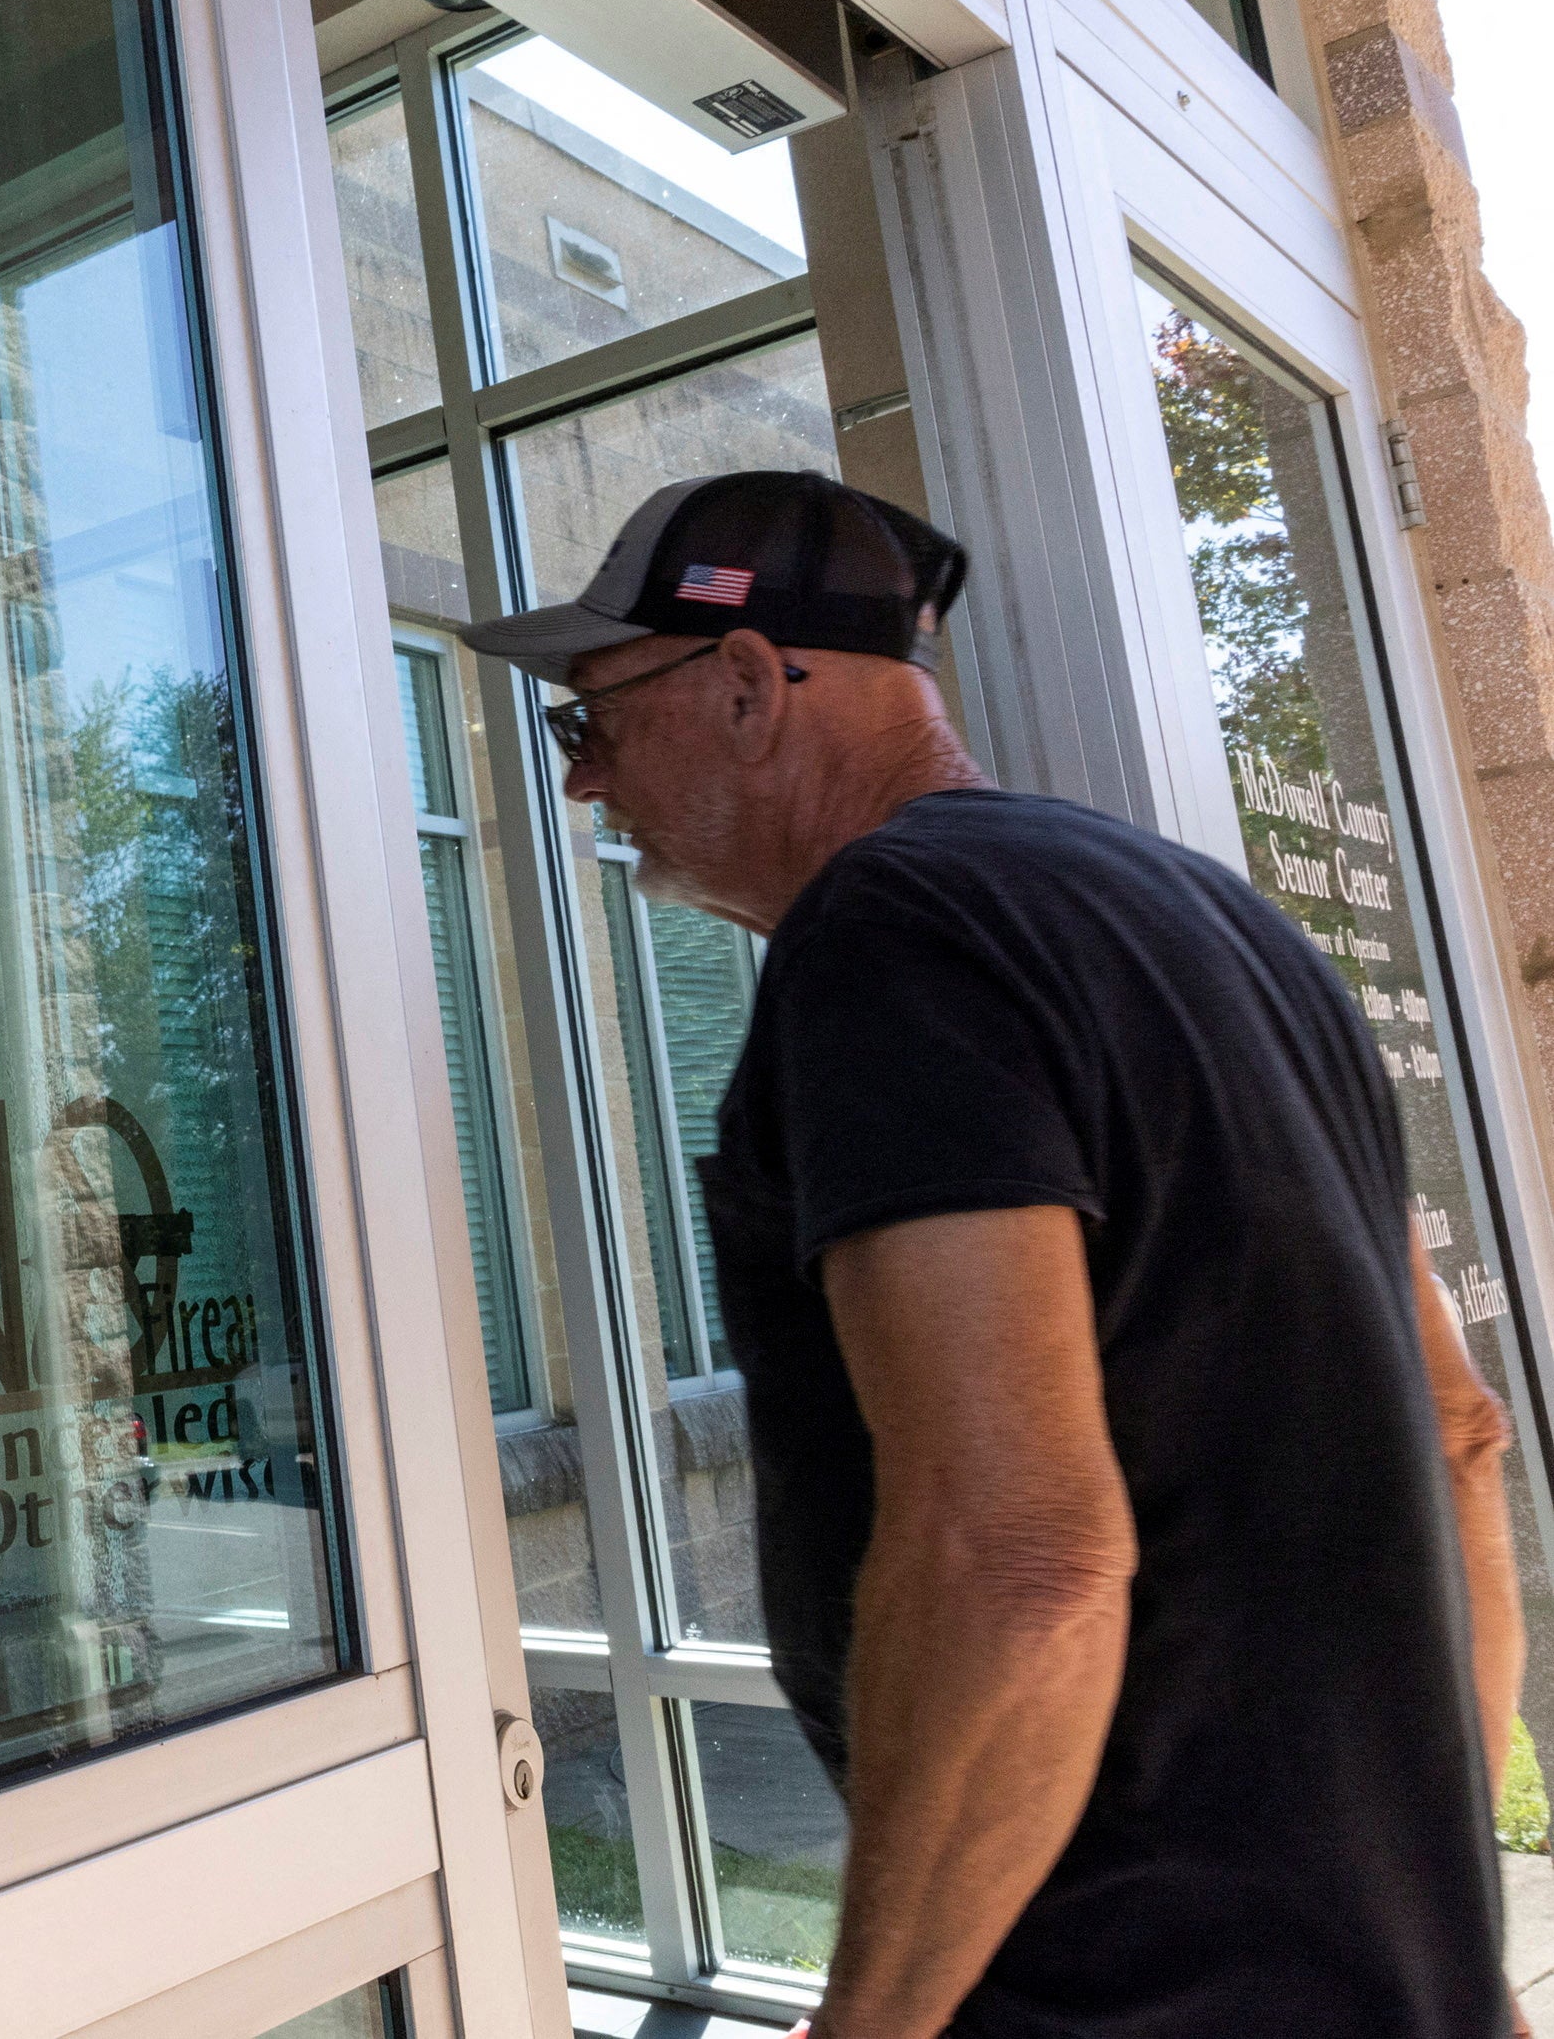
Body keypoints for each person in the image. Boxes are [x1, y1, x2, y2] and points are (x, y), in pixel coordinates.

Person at [460, 469, 1524, 2036]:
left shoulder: (890, 935)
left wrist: (872, 2025)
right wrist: (1448, 1930)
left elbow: (1022, 1557)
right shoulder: (1233, 929)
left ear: (748, 685)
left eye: (592, 722)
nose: (585, 787)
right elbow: (1460, 1434)